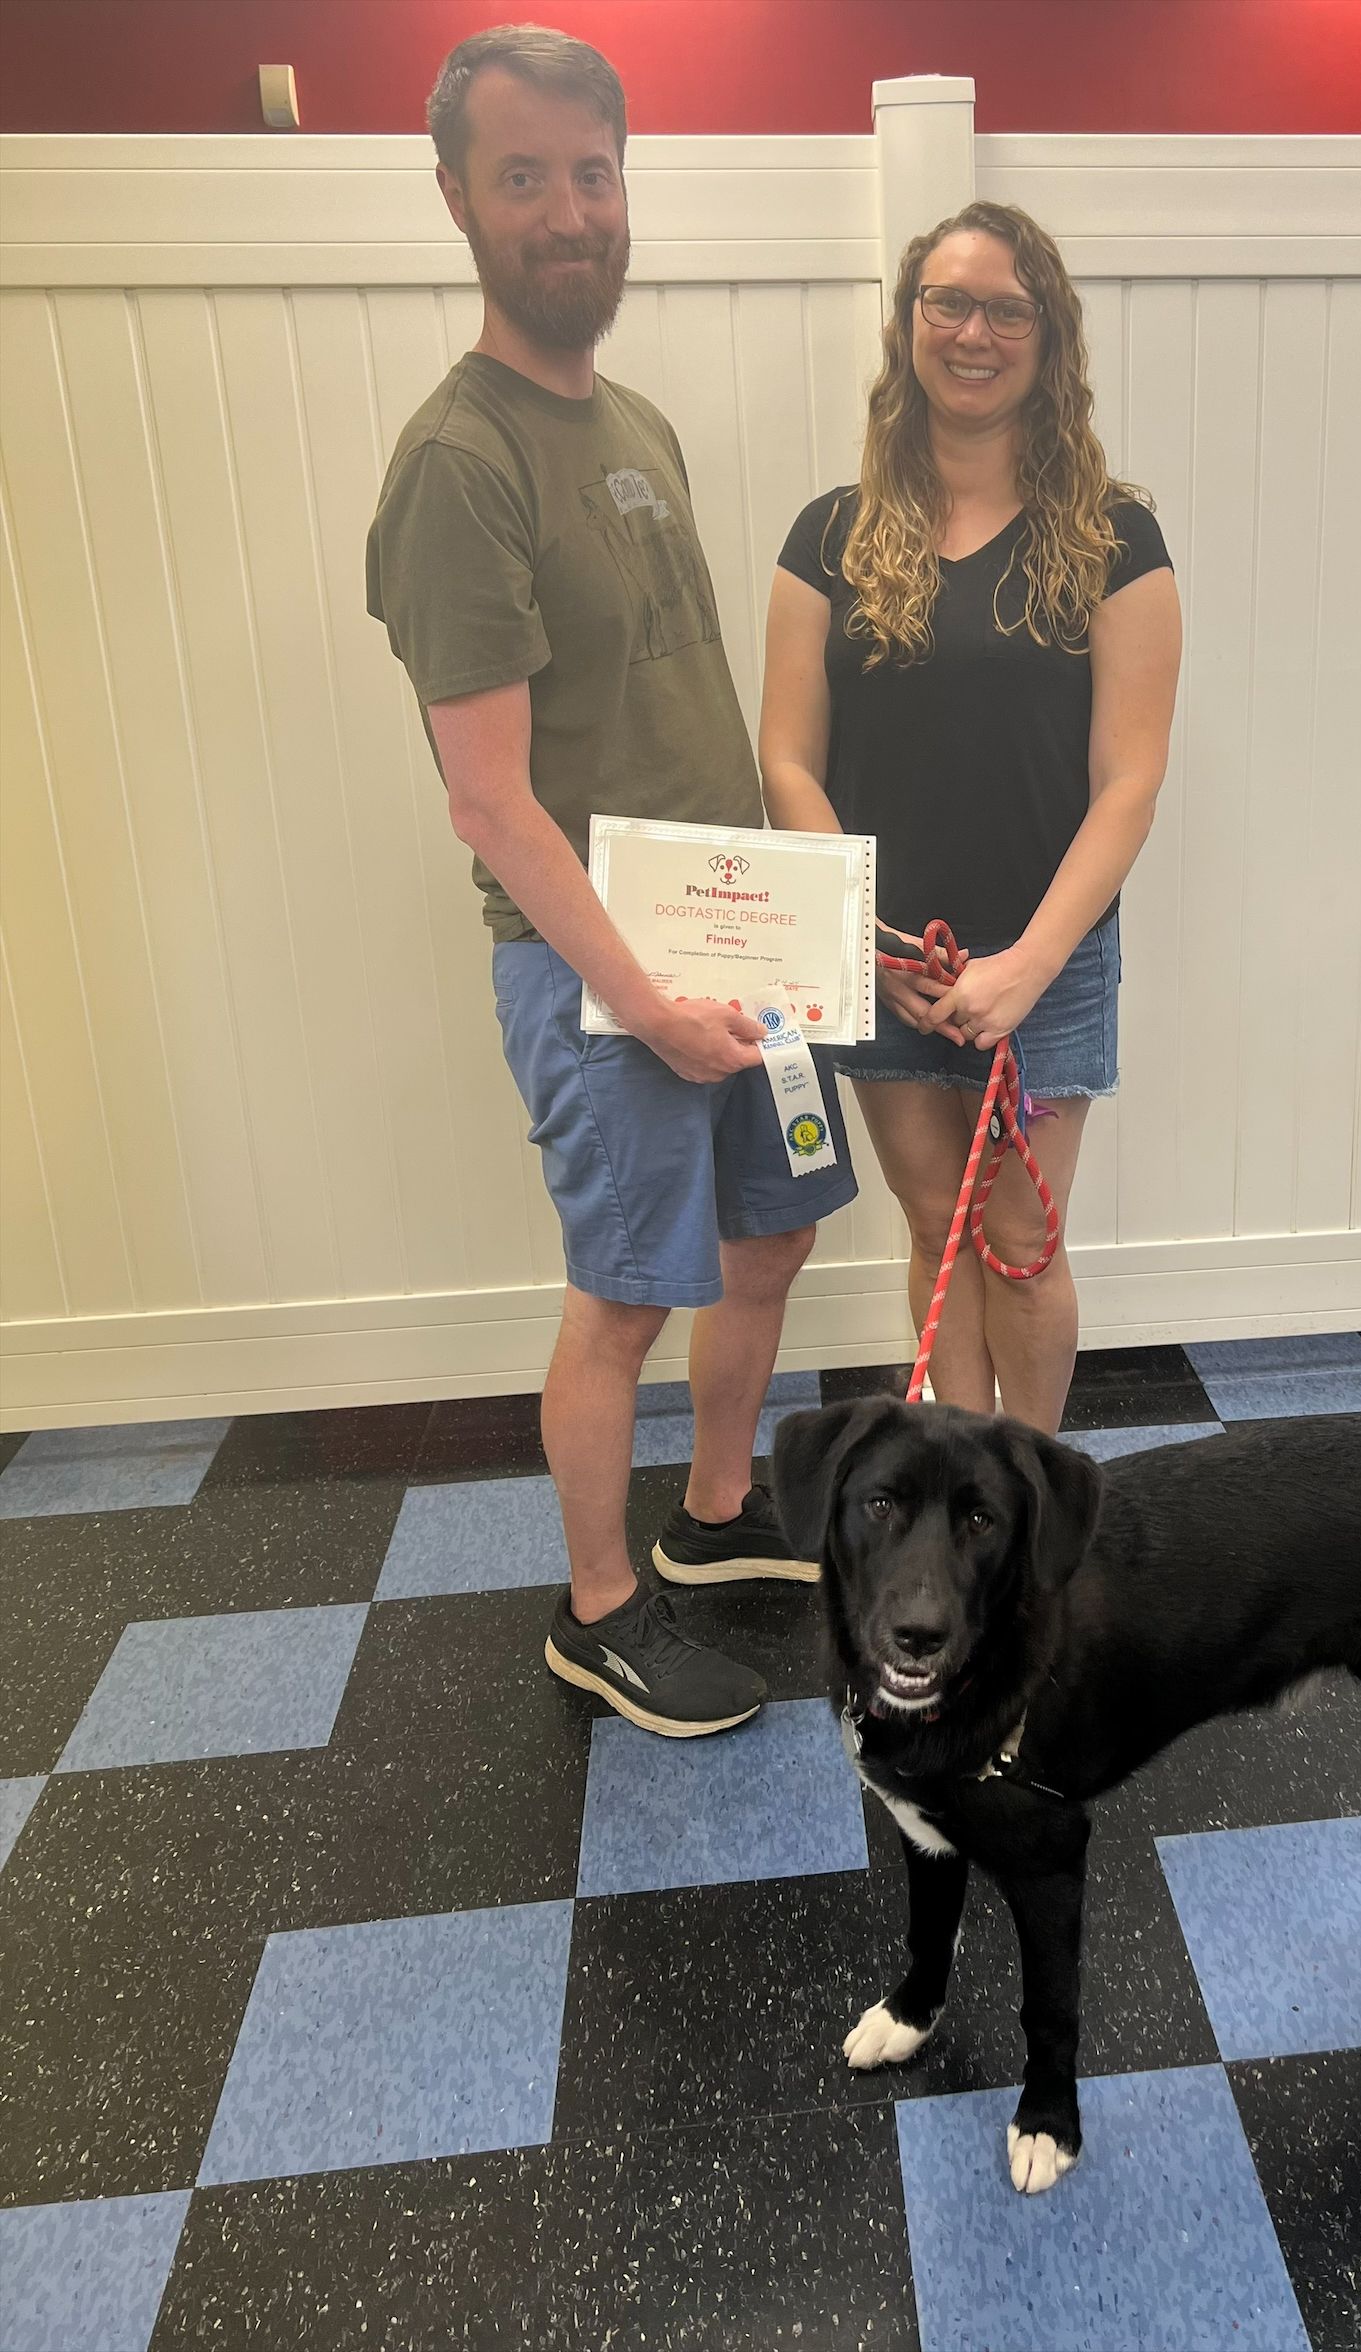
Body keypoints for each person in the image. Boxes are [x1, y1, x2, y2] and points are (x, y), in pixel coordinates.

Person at [366, 26, 855, 1738]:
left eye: (595, 171)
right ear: (457, 200)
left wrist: (796, 913)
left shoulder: (628, 416)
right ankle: (600, 1610)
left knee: (773, 1237)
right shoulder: (458, 465)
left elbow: (679, 707)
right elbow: (491, 805)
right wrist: (646, 1004)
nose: (570, 211)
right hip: (601, 984)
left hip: (737, 952)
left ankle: (719, 1516)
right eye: (526, 178)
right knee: (630, 1295)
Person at [760, 202, 1181, 1432]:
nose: (974, 332)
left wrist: (1030, 967)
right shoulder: (825, 538)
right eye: (947, 303)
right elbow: (787, 760)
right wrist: (863, 946)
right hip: (885, 963)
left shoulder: (1115, 539)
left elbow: (1131, 781)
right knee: (935, 1224)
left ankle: (1031, 1498)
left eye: (1007, 308)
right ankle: (958, 1489)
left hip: (1046, 959)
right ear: (908, 328)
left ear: (1047, 341)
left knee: (1017, 1242)